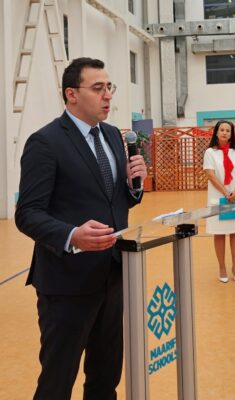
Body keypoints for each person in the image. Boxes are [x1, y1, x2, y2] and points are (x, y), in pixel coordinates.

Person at [14, 57, 147, 400]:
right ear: (71, 94)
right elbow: (28, 213)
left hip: (112, 276)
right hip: (66, 283)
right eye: (98, 88)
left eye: (109, 87)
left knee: (105, 378)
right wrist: (72, 235)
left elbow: (114, 203)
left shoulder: (113, 136)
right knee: (57, 382)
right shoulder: (45, 142)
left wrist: (133, 186)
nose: (108, 95)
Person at [203, 120, 235, 283]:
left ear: (231, 134)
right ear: (216, 132)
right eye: (222, 130)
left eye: (228, 130)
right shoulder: (210, 152)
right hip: (218, 197)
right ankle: (222, 267)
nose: (224, 133)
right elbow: (210, 174)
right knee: (219, 233)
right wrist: (225, 192)